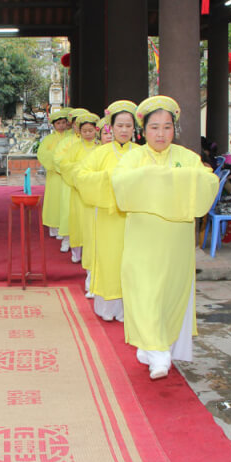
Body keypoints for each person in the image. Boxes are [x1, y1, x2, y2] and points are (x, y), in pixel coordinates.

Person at [111, 96, 218, 380]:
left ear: (175, 129)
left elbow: (208, 181)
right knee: (144, 292)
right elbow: (121, 184)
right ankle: (158, 352)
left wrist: (157, 179)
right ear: (143, 131)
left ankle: (154, 348)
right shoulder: (132, 158)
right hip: (143, 241)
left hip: (176, 242)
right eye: (154, 127)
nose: (161, 134)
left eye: (167, 127)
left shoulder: (187, 158)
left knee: (171, 293)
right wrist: (166, 179)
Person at [76, 101, 140, 323]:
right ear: (111, 128)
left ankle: (128, 309)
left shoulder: (141, 154)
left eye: (128, 126)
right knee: (109, 260)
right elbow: (81, 177)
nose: (124, 130)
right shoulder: (100, 153)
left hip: (134, 218)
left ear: (134, 129)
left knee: (131, 262)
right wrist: (107, 178)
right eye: (119, 125)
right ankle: (107, 308)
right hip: (107, 217)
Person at [60, 112, 100, 264]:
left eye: (91, 130)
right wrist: (81, 170)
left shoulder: (100, 148)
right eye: (85, 131)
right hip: (78, 191)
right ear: (79, 131)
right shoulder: (75, 148)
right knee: (78, 222)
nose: (88, 134)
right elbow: (65, 166)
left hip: (95, 192)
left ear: (96, 130)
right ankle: (76, 252)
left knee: (94, 223)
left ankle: (93, 253)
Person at [38, 108, 71, 237]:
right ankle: (53, 226)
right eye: (58, 123)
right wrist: (56, 159)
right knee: (54, 200)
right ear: (53, 125)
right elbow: (42, 154)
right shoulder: (49, 139)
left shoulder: (71, 137)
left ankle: (65, 227)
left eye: (63, 123)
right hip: (54, 175)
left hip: (67, 173)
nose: (61, 126)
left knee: (66, 201)